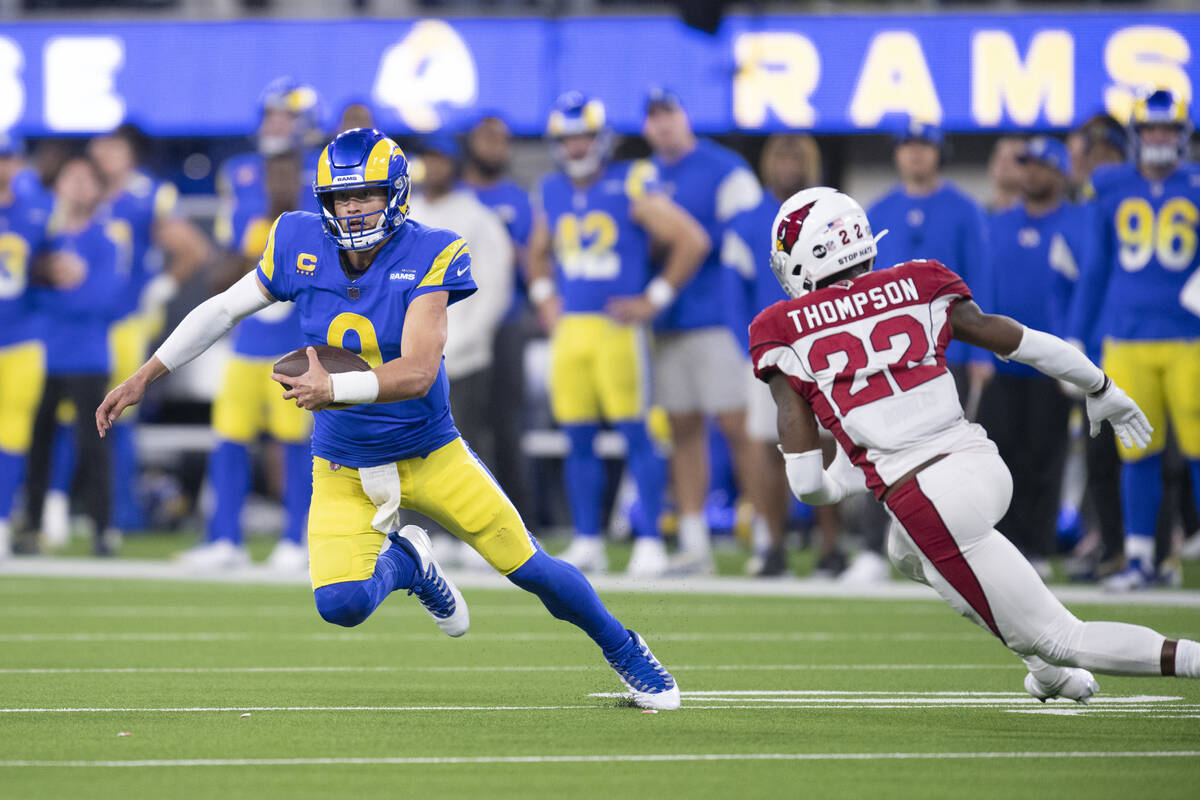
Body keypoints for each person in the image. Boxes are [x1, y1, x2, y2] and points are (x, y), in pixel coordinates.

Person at [97, 127, 681, 711]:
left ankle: (627, 649)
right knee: (341, 605)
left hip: (429, 450)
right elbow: (223, 308)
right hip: (343, 462)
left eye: (365, 195)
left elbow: (420, 371)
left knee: (531, 570)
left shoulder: (434, 248)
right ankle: (409, 564)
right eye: (340, 198)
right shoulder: (296, 238)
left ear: (396, 194)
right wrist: (145, 375)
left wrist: (334, 386)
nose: (351, 210)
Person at [751, 186, 1200, 702]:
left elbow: (808, 486)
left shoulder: (779, 330)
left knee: (1060, 636)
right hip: (980, 463)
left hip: (926, 497)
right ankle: (1046, 674)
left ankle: (1181, 659)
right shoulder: (916, 281)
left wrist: (848, 478)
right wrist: (1101, 387)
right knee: (904, 550)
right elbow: (1018, 339)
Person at [528, 93, 709, 577]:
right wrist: (546, 296)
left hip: (617, 330)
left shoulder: (630, 181)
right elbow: (537, 252)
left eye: (583, 136)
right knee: (577, 436)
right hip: (572, 331)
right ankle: (588, 538)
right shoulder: (553, 189)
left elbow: (692, 239)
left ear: (601, 138)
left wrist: (655, 299)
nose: (576, 147)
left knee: (636, 433)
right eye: (567, 139)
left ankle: (650, 538)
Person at [36, 125, 210, 542]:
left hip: (125, 322)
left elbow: (193, 248)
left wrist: (164, 284)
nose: (102, 151)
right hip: (77, 320)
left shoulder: (145, 195)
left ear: (129, 152)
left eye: (112, 145)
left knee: (116, 413)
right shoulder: (80, 193)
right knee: (62, 416)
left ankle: (117, 512)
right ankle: (57, 505)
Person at [1066, 88, 1200, 591]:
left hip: (1190, 337)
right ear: (1137, 137)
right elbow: (1095, 269)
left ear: (1182, 136)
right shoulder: (1111, 185)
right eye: (1151, 130)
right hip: (1125, 336)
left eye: (1167, 129)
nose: (1160, 138)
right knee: (1137, 451)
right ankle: (1140, 558)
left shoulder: (1195, 183)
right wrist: (1079, 334)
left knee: (1198, 448)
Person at [641, 87, 764, 573]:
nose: (662, 124)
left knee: (739, 425)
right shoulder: (644, 175)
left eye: (668, 113)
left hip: (719, 316)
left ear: (685, 116)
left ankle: (764, 532)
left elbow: (753, 235)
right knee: (681, 427)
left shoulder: (725, 168)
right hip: (668, 320)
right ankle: (695, 542)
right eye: (653, 117)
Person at [180, 149, 313, 571]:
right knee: (229, 441)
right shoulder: (244, 215)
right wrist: (254, 249)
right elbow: (217, 281)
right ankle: (225, 538)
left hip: (293, 348)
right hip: (245, 347)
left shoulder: (315, 221)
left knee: (294, 446)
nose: (280, 181)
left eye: (288, 172)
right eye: (274, 172)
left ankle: (296, 538)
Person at [976, 137, 1089, 577]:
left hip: (1052, 358)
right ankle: (1004, 545)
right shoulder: (998, 224)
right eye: (1027, 165)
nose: (1032, 173)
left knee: (1047, 453)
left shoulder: (1078, 225)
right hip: (1002, 358)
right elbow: (980, 291)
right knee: (1000, 454)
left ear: (1060, 173)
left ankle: (1039, 546)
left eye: (1042, 166)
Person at [24, 157, 124, 556]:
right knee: (37, 445)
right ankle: (30, 527)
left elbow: (103, 299)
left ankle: (103, 529)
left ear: (98, 189)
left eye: (87, 180)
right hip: (44, 355)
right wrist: (60, 280)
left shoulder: (106, 238)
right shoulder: (42, 237)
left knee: (93, 448)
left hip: (88, 357)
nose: (80, 187)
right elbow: (25, 294)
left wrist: (59, 286)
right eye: (72, 178)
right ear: (59, 186)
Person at [868, 117, 992, 416]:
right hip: (891, 349)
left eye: (925, 145)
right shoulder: (877, 211)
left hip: (951, 347)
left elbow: (980, 277)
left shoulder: (965, 209)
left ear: (939, 152)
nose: (915, 153)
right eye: (907, 145)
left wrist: (982, 350)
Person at [409, 134, 513, 470]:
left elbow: (494, 288)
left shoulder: (478, 218)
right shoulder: (407, 216)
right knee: (411, 448)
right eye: (429, 159)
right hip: (408, 358)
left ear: (455, 164)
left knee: (464, 447)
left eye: (441, 159)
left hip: (463, 358)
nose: (435, 167)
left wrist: (465, 340)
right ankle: (417, 523)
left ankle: (477, 522)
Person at [461, 113, 536, 519]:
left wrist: (505, 251)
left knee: (507, 425)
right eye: (488, 138)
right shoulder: (456, 197)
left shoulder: (518, 198)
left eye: (503, 139)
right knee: (462, 425)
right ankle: (465, 517)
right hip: (456, 327)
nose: (496, 147)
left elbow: (533, 258)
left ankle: (516, 518)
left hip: (506, 320)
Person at [0, 131, 52, 558]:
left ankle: (2, 523)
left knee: (13, 433)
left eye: (7, 158)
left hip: (21, 338)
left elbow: (55, 263)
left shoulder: (38, 208)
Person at [986, 136, 1026, 213]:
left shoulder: (1039, 216)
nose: (1004, 163)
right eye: (1000, 157)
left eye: (1014, 158)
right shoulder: (979, 215)